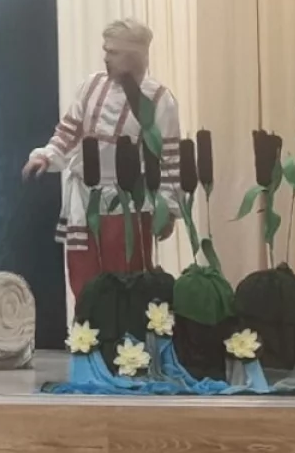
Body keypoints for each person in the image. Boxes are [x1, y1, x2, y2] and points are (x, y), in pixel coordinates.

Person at [22, 18, 180, 299]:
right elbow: (69, 131)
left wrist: (167, 209)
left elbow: (168, 157)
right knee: (85, 281)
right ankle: (87, 327)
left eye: (114, 52)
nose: (106, 58)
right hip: (85, 201)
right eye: (106, 50)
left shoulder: (159, 99)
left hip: (130, 206)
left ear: (135, 56)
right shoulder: (91, 86)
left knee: (128, 282)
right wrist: (46, 156)